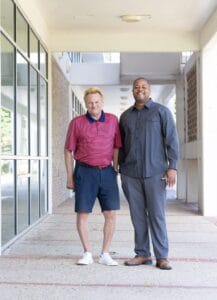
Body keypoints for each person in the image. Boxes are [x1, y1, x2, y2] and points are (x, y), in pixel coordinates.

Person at [119, 78, 179, 270]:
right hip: (130, 173)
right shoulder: (125, 116)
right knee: (137, 216)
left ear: (149, 90)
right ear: (132, 91)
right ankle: (142, 254)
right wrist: (119, 166)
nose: (140, 89)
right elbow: (120, 145)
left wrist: (172, 167)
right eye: (136, 87)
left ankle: (162, 256)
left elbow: (172, 140)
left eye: (143, 87)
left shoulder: (161, 112)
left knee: (157, 215)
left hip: (155, 173)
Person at [64, 87, 121, 266]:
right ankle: (87, 252)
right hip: (84, 172)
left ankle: (105, 253)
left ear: (102, 102)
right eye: (90, 103)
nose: (93, 105)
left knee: (110, 214)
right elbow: (68, 150)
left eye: (96, 102)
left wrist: (115, 169)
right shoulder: (76, 122)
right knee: (82, 214)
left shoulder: (113, 120)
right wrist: (69, 176)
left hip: (107, 171)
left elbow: (116, 147)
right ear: (86, 104)